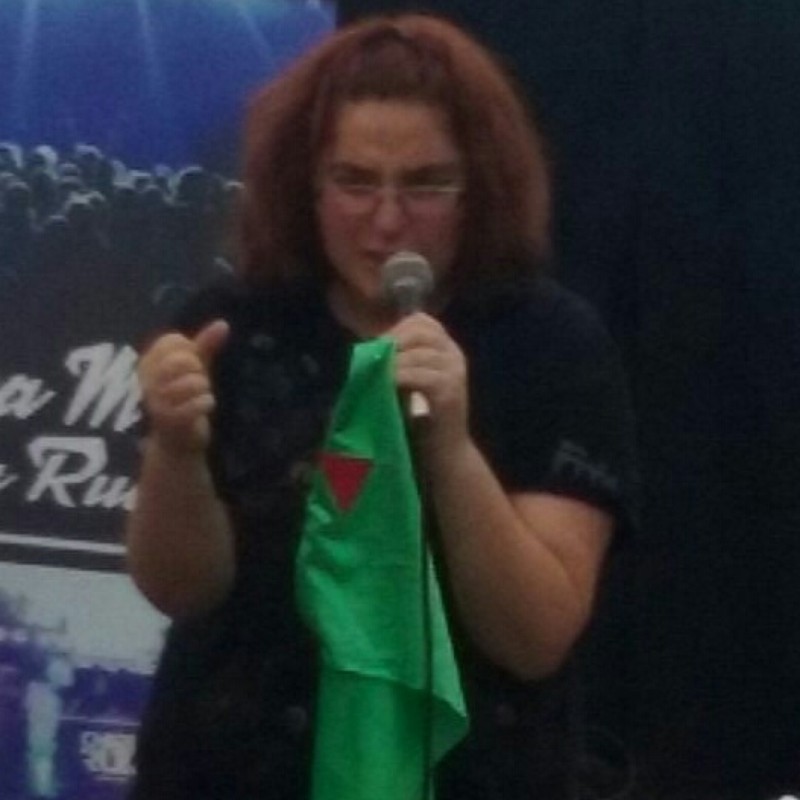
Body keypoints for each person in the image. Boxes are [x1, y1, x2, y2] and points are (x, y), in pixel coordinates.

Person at [125, 12, 638, 800]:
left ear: (479, 190)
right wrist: (175, 451)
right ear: (307, 186)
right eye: (355, 182)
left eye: (426, 184)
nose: (388, 220)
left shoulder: (550, 345)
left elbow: (536, 636)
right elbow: (180, 590)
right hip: (236, 765)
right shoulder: (234, 325)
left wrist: (452, 449)